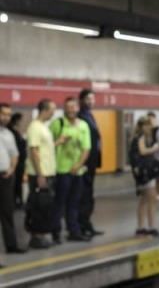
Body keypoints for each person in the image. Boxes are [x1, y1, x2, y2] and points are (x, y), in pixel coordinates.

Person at [49, 97, 91, 243]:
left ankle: (74, 231)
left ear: (78, 108)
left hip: (77, 171)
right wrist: (58, 142)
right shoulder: (57, 124)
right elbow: (47, 147)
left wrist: (79, 164)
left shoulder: (84, 126)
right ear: (64, 109)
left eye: (73, 107)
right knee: (59, 202)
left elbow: (87, 148)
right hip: (61, 170)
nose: (71, 110)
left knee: (74, 202)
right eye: (68, 107)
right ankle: (56, 232)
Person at [25, 99, 58, 248]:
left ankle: (42, 235)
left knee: (46, 206)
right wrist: (40, 175)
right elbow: (34, 151)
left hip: (47, 172)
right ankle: (36, 237)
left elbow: (45, 148)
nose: (53, 113)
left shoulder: (43, 127)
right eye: (52, 110)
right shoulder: (34, 127)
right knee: (38, 205)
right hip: (40, 174)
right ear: (45, 110)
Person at [130, 116, 159, 238]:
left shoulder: (136, 137)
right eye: (148, 125)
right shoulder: (141, 137)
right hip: (146, 173)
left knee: (144, 200)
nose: (150, 128)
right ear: (143, 126)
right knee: (152, 200)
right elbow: (143, 151)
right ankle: (151, 227)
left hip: (143, 173)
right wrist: (154, 148)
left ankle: (140, 227)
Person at [77, 88, 104, 237]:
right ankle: (82, 225)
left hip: (92, 161)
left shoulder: (90, 115)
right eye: (88, 99)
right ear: (81, 100)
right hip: (85, 162)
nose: (91, 102)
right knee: (83, 195)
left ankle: (87, 224)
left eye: (93, 99)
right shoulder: (81, 116)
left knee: (88, 194)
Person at [0, 103, 25, 254]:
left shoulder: (8, 134)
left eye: (8, 115)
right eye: (3, 114)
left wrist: (11, 169)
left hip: (6, 177)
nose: (6, 118)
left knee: (7, 212)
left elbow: (14, 154)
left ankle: (11, 245)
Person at [7, 113, 27, 208]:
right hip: (14, 163)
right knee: (13, 183)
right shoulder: (10, 132)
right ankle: (14, 200)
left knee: (18, 182)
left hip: (20, 162)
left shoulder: (16, 132)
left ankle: (17, 199)